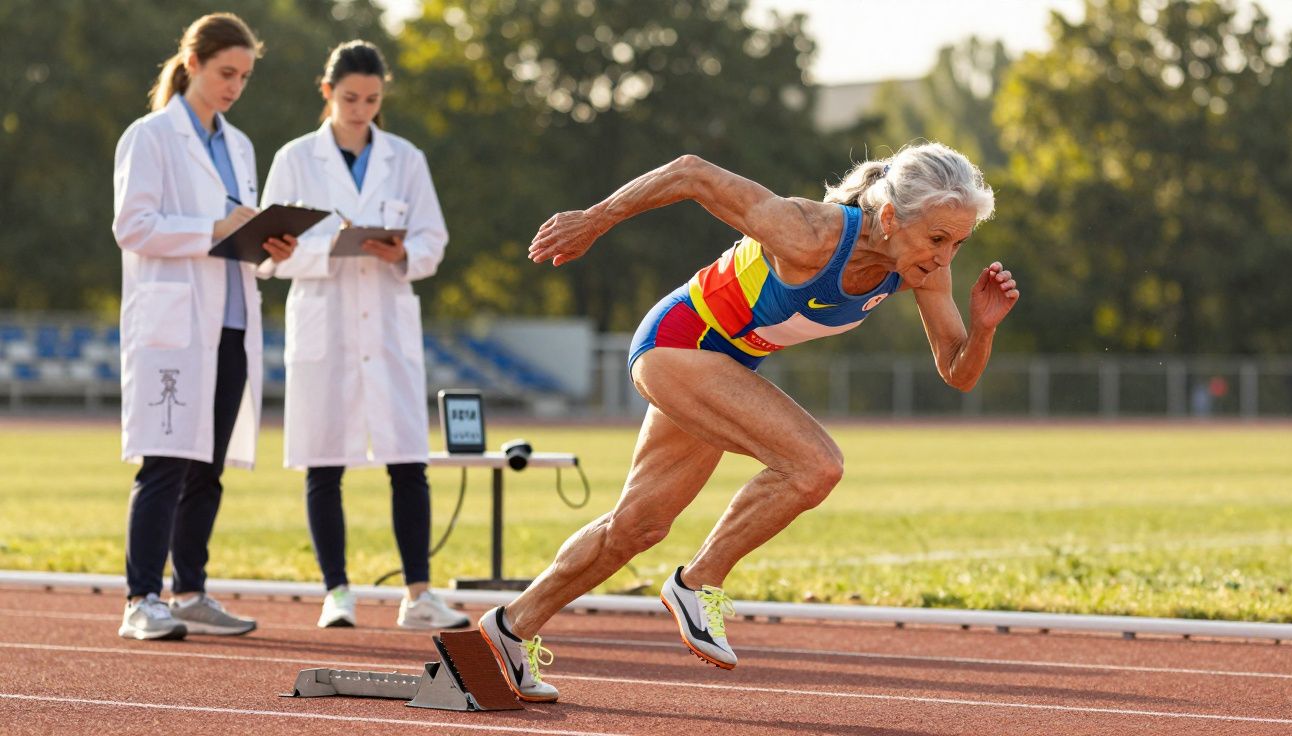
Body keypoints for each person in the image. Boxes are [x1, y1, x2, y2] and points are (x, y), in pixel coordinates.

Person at [478, 142, 1020, 701]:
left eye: (959, 242)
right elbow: (692, 174)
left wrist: (983, 329)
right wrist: (594, 220)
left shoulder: (922, 271)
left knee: (638, 527)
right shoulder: (809, 232)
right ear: (888, 217)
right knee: (814, 465)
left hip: (722, 365)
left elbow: (957, 373)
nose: (945, 257)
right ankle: (697, 583)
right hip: (678, 341)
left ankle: (512, 624)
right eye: (937, 238)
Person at [260, 40, 465, 630]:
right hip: (324, 321)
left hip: (388, 316)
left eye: (372, 99)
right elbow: (269, 254)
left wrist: (403, 251)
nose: (361, 109)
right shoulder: (296, 157)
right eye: (350, 98)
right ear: (327, 93)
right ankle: (337, 592)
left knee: (408, 461)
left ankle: (418, 595)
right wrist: (325, 248)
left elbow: (433, 240)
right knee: (324, 463)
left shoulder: (406, 158)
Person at [113, 13, 297, 640]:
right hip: (173, 324)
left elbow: (233, 237)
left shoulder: (239, 146)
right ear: (193, 64)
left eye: (244, 77)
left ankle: (189, 591)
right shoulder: (151, 136)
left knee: (208, 467)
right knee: (164, 462)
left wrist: (268, 247)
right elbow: (132, 227)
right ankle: (142, 598)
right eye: (226, 73)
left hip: (232, 320)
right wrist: (214, 229)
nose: (234, 87)